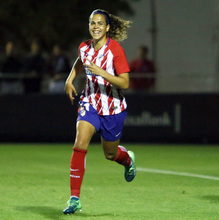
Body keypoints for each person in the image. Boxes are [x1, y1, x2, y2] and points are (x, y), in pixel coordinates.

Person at [63, 9, 136, 215]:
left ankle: (127, 160)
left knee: (110, 154)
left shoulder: (115, 50)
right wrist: (70, 79)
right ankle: (74, 198)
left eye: (99, 23)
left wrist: (102, 72)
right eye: (92, 23)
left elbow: (125, 82)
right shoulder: (84, 47)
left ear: (107, 28)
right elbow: (80, 60)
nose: (95, 26)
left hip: (113, 108)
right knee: (80, 143)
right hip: (90, 103)